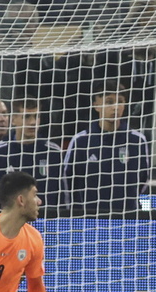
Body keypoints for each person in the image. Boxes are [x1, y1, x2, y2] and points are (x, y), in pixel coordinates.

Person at [62, 80, 150, 213]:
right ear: (96, 106)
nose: (115, 107)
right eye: (109, 102)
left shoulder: (137, 141)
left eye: (120, 101)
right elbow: (68, 182)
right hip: (89, 220)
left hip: (128, 219)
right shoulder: (81, 141)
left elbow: (143, 180)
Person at [0, 99, 63, 212]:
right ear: (13, 120)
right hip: (8, 226)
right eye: (27, 117)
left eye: (36, 116)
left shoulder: (53, 152)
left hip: (47, 225)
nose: (33, 122)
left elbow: (64, 197)